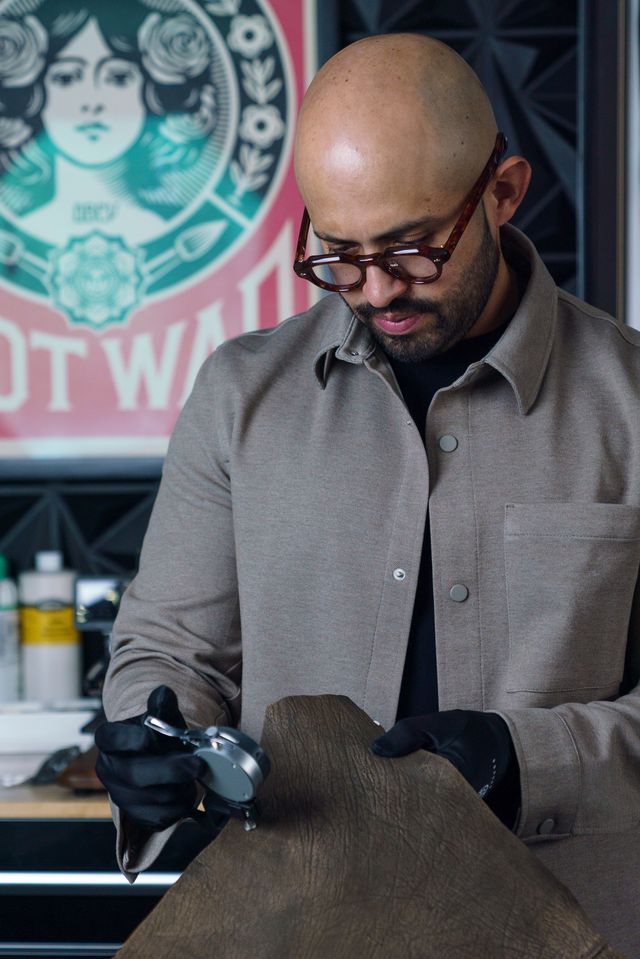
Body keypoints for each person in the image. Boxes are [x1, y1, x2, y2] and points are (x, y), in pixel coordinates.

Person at [97, 33, 640, 955]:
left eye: (414, 247)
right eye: (338, 252)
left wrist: (529, 760)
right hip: (288, 932)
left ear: (504, 192)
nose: (378, 288)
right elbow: (171, 646)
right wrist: (154, 735)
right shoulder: (239, 395)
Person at [0, 0, 221, 243]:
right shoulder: (13, 239)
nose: (92, 101)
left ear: (149, 93)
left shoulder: (198, 230)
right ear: (36, 96)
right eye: (66, 79)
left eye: (118, 78)